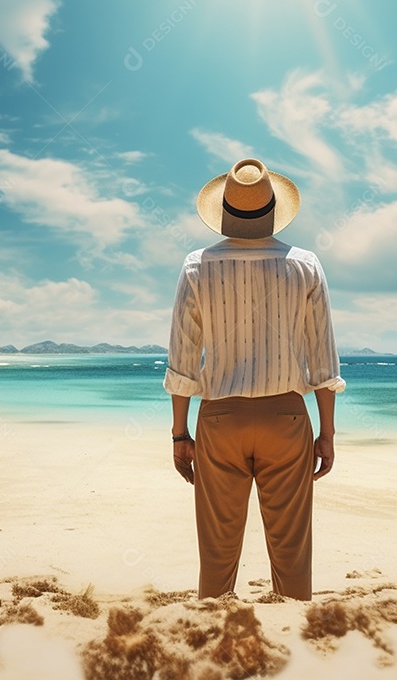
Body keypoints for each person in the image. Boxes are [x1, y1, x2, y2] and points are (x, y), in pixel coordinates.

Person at [164, 157, 346, 601]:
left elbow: (184, 359)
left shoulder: (196, 266)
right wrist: (327, 434)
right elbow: (323, 359)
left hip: (220, 419)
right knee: (292, 551)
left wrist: (179, 434)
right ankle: (296, 648)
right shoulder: (306, 264)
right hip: (285, 418)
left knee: (217, 551)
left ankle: (213, 645)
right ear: (272, 211)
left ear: (226, 212)